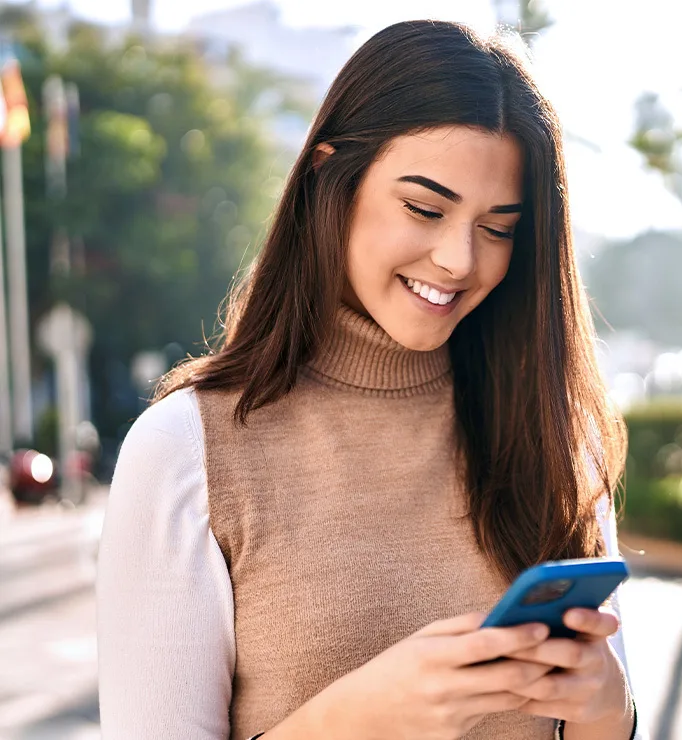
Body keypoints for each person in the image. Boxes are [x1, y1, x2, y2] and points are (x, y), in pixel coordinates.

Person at [96, 19, 646, 740]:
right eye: (425, 208)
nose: (458, 258)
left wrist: (611, 711)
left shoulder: (553, 432)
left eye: (499, 227)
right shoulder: (187, 453)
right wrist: (362, 718)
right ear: (330, 173)